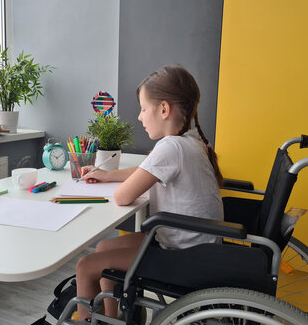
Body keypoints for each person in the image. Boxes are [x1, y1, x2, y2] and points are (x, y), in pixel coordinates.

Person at [75, 64, 223, 320]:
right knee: (103, 247)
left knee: (85, 265)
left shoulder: (171, 147)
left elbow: (123, 197)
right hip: (196, 246)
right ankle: (114, 318)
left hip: (182, 255)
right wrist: (108, 176)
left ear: (164, 109)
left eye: (143, 109)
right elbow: (146, 170)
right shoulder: (191, 140)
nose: (140, 117)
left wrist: (115, 184)